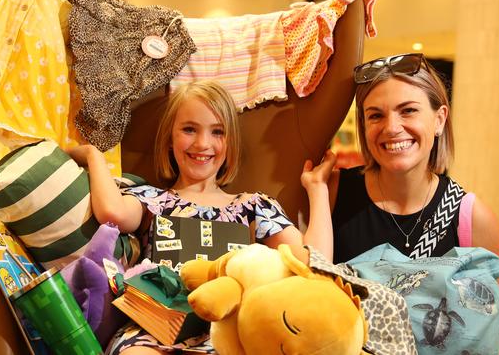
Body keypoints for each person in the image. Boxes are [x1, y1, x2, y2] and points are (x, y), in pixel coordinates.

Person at [66, 80, 334, 354]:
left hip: (225, 334)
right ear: (170, 139)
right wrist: (93, 155)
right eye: (189, 129)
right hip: (156, 331)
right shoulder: (152, 199)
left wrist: (317, 189)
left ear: (230, 143)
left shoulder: (253, 207)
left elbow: (314, 263)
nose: (203, 143)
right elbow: (112, 212)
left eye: (217, 132)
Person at [327, 53, 499, 353]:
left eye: (408, 111)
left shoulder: (470, 216)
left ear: (439, 119)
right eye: (376, 115)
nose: (392, 127)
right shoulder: (333, 193)